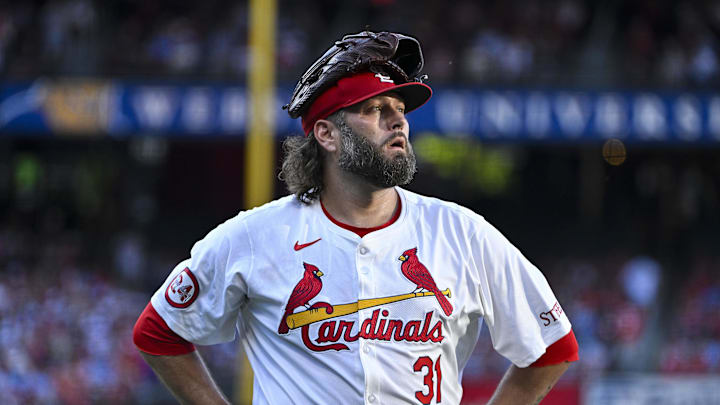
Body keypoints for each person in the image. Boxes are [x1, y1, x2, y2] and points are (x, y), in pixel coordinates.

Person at [133, 31, 578, 405]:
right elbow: (158, 332)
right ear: (326, 134)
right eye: (375, 110)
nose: (397, 122)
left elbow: (553, 345)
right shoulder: (254, 237)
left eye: (400, 111)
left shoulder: (461, 232)